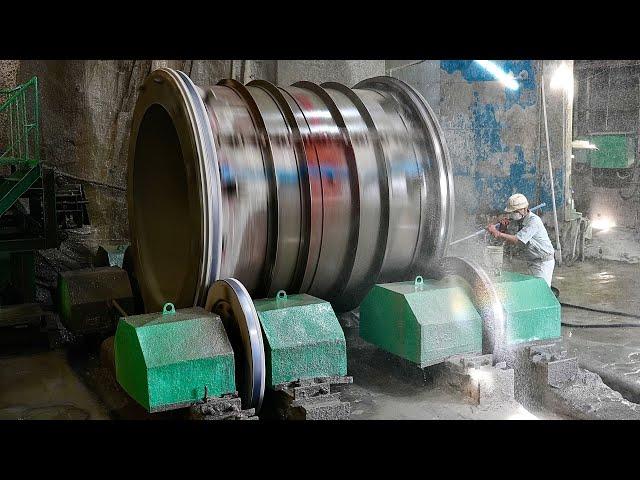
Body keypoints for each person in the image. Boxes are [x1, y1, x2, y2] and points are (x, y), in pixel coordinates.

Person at [487, 193, 556, 287]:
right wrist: (503, 228)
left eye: (515, 211)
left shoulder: (534, 221)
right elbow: (509, 239)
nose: (512, 214)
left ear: (524, 209)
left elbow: (517, 240)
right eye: (511, 212)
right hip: (530, 260)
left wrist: (497, 233)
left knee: (540, 290)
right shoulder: (518, 220)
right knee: (529, 288)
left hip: (542, 262)